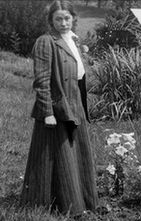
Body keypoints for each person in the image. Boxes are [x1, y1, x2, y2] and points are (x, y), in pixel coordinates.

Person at [21, 0, 98, 215]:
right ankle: (57, 204)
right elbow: (42, 79)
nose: (63, 22)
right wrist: (47, 112)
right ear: (51, 21)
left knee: (78, 155)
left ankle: (82, 201)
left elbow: (78, 72)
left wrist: (81, 50)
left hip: (75, 103)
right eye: (58, 19)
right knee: (59, 157)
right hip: (58, 107)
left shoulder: (72, 39)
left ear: (73, 18)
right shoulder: (46, 42)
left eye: (67, 18)